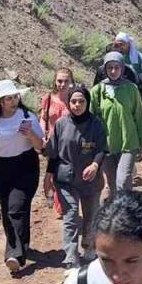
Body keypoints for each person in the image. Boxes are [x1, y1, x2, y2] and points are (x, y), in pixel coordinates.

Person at [0, 79, 45, 271]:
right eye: (9, 98)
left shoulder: (27, 116)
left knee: (17, 208)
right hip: (0, 167)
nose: (14, 101)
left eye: (15, 97)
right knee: (7, 210)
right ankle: (20, 246)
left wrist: (31, 134)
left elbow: (41, 147)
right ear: (0, 101)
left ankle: (14, 255)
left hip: (25, 165)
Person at [44, 86, 108, 269]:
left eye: (81, 101)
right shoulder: (61, 124)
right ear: (69, 103)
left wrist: (95, 165)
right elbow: (53, 153)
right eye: (73, 101)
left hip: (90, 179)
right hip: (66, 179)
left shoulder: (96, 124)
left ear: (87, 103)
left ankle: (89, 246)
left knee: (90, 216)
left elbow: (102, 149)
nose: (77, 105)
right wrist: (48, 176)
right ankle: (71, 257)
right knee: (70, 217)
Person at [89, 52, 142, 201]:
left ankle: (127, 214)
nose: (113, 71)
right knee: (111, 184)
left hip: (128, 142)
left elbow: (139, 117)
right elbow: (91, 119)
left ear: (122, 68)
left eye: (117, 67)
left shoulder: (131, 89)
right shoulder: (98, 91)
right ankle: (116, 218)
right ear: (105, 69)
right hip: (106, 144)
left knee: (123, 181)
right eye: (110, 68)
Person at [39, 67, 75, 139]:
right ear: (55, 82)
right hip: (50, 142)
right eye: (59, 81)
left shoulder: (75, 101)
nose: (63, 84)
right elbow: (43, 119)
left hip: (68, 143)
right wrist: (42, 135)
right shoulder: (48, 98)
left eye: (66, 81)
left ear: (71, 82)